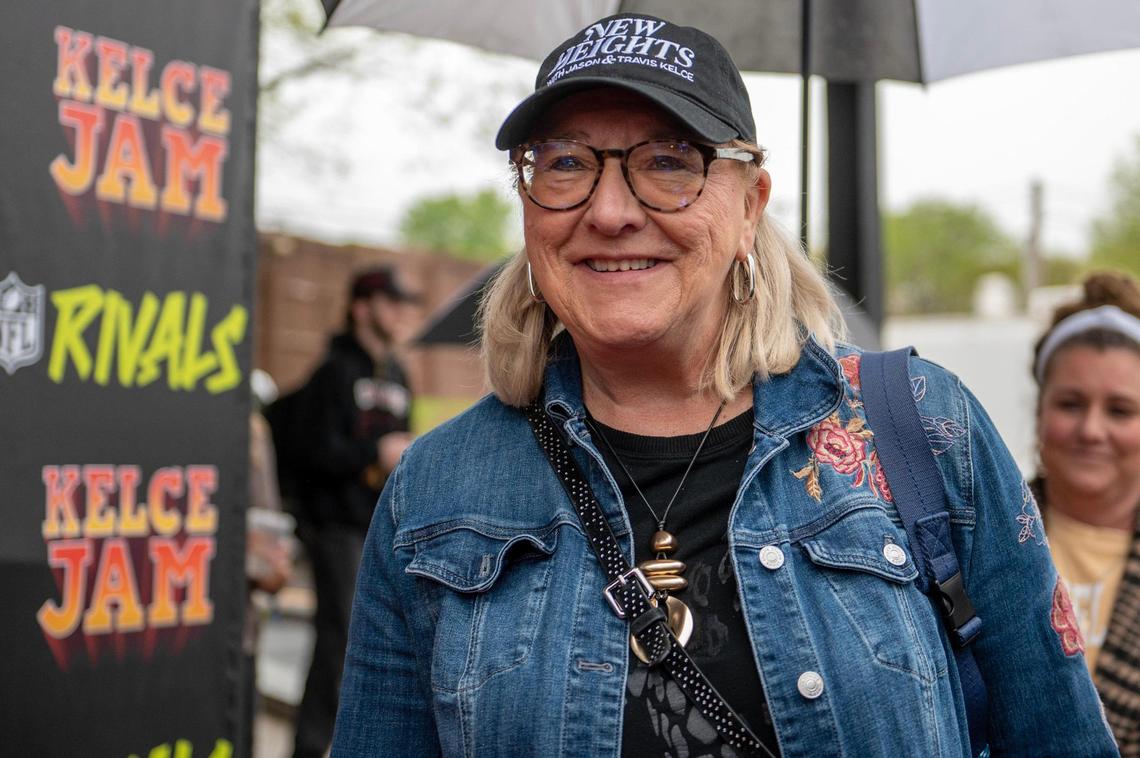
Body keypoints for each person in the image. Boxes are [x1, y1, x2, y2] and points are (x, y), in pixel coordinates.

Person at [331, 14, 1115, 757]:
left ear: (750, 205)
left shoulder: (923, 428)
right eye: (565, 162)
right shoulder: (435, 495)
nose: (608, 211)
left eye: (669, 160)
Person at [289, 266, 418, 758]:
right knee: (339, 638)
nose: (402, 313)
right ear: (362, 307)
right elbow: (313, 452)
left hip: (381, 527)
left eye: (405, 303)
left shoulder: (399, 372)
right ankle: (312, 746)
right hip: (335, 526)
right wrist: (374, 454)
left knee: (386, 642)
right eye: (392, 302)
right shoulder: (334, 372)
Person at [1032, 271, 1140, 754]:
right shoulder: (972, 537)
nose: (1092, 431)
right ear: (1038, 414)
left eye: (1120, 411)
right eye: (1071, 404)